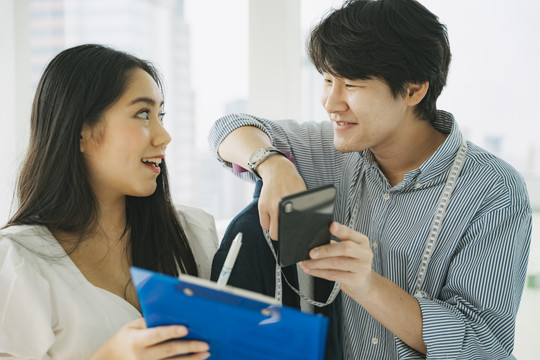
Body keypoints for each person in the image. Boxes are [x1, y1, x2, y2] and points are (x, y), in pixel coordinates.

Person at [208, 0, 532, 358]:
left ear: (413, 89)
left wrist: (367, 286)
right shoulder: (332, 149)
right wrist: (273, 165)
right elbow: (227, 130)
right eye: (328, 80)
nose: (331, 103)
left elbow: (483, 348)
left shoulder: (493, 190)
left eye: (351, 84)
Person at [0, 44, 217, 359]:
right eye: (143, 113)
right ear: (80, 132)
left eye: (161, 114)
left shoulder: (192, 233)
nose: (164, 135)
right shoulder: (19, 261)